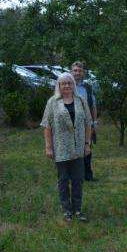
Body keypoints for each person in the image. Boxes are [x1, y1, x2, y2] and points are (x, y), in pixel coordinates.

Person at [41, 72, 93, 221]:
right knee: (63, 180)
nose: (67, 86)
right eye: (63, 83)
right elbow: (47, 126)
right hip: (61, 148)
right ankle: (66, 210)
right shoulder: (52, 102)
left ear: (73, 85)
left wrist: (87, 144)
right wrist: (48, 147)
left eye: (69, 83)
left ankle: (77, 209)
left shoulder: (81, 101)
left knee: (78, 179)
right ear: (59, 86)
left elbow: (88, 123)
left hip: (78, 148)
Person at [71, 61, 98, 181]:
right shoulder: (67, 85)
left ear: (83, 73)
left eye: (79, 71)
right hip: (71, 122)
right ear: (71, 72)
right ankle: (74, 175)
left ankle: (88, 175)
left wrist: (94, 122)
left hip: (86, 123)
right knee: (72, 149)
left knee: (87, 149)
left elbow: (93, 106)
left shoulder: (88, 87)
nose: (77, 73)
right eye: (75, 70)